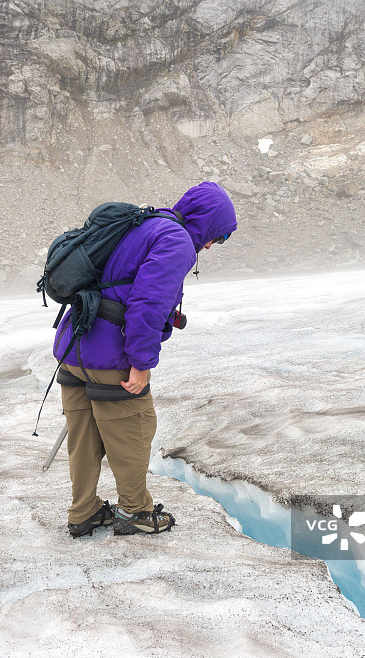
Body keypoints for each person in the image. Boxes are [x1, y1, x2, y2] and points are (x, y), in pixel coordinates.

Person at [53, 181, 237, 535]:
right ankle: (135, 512)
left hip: (73, 347)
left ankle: (84, 512)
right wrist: (140, 364)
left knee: (83, 437)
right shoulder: (176, 241)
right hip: (109, 354)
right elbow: (148, 305)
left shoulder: (143, 223)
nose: (213, 244)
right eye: (219, 235)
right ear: (206, 224)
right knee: (133, 430)